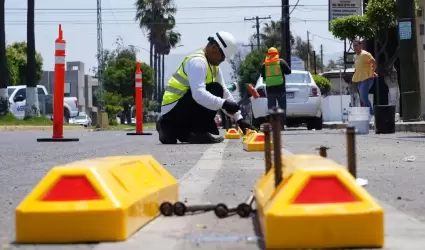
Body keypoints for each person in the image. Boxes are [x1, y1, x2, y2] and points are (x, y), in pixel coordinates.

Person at [156, 31, 255, 144]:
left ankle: (176, 131)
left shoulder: (213, 66)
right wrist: (224, 104)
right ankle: (191, 131)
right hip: (172, 111)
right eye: (222, 56)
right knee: (215, 89)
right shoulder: (198, 62)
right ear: (213, 48)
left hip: (181, 111)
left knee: (219, 90)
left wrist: (240, 120)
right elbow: (198, 94)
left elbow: (225, 93)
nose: (222, 60)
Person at [260, 47, 291, 126]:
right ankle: (282, 125)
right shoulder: (281, 62)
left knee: (271, 109)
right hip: (281, 89)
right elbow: (289, 71)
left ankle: (273, 125)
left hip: (270, 90)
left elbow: (263, 76)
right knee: (282, 108)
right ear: (277, 54)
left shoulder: (264, 64)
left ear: (268, 54)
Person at [352, 39, 377, 122]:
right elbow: (357, 68)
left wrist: (373, 72)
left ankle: (372, 115)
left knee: (363, 97)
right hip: (359, 79)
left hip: (367, 78)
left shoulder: (365, 54)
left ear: (361, 46)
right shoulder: (355, 56)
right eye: (353, 46)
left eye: (356, 45)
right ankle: (367, 115)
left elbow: (374, 62)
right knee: (362, 98)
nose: (354, 47)